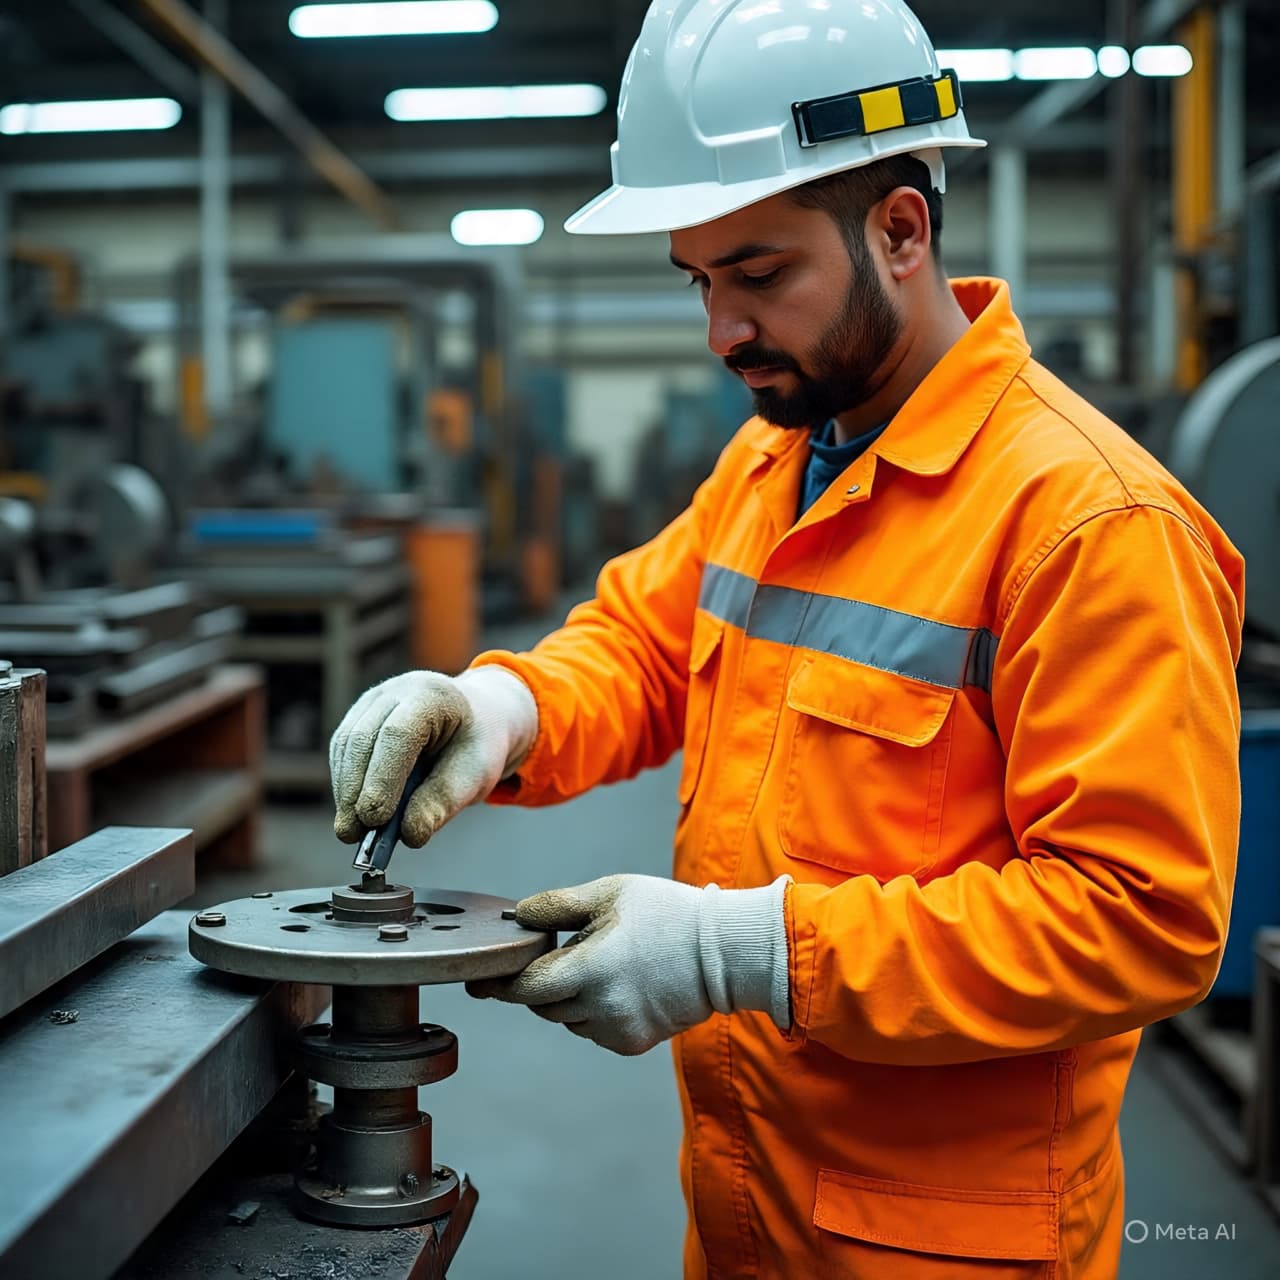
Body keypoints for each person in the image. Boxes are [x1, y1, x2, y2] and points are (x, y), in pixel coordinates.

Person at [329, 1, 1245, 1275]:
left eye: (758, 275)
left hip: (944, 1246)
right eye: (699, 280)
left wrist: (736, 950)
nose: (721, 333)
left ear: (901, 230)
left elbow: (1139, 919)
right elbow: (643, 646)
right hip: (747, 1208)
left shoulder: (1087, 523)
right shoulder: (777, 461)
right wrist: (499, 712)